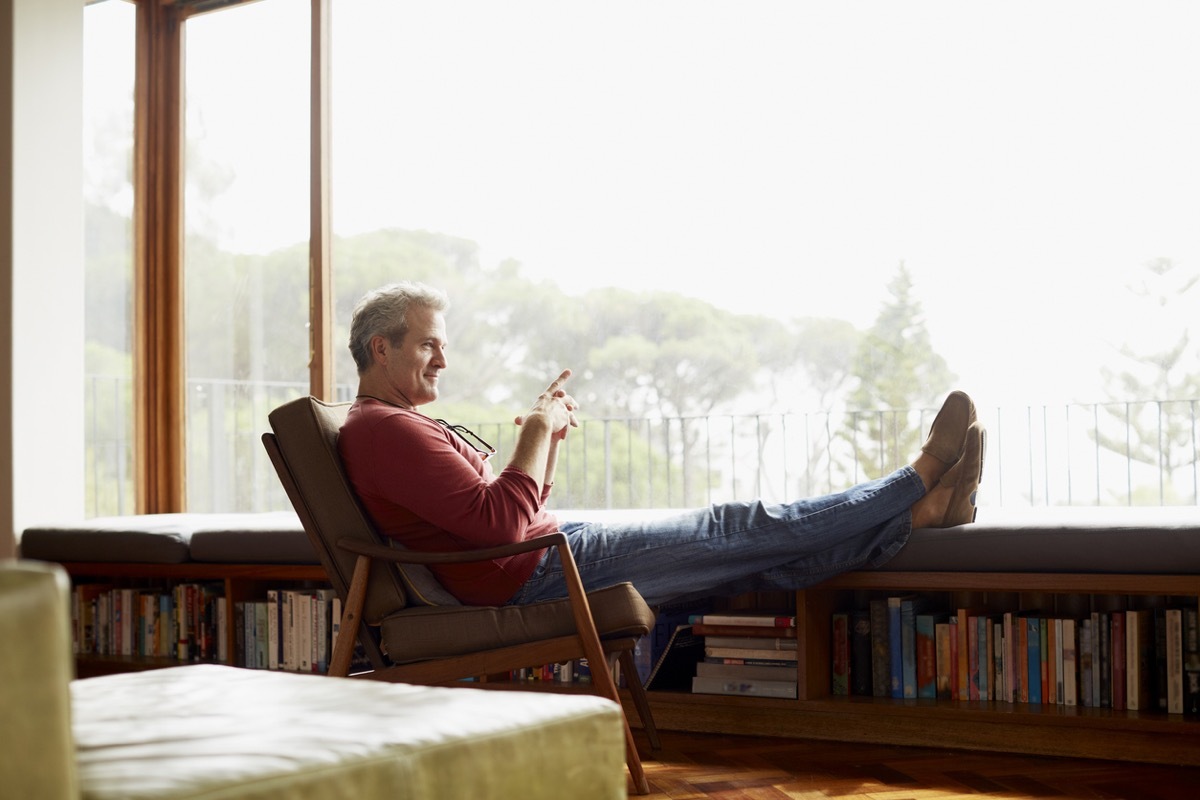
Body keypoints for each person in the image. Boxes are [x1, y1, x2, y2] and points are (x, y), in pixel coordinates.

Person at [338, 281, 986, 609]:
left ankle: (921, 514)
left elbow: (514, 507)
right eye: (429, 345)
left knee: (748, 561)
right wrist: (536, 430)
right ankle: (921, 474)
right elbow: (501, 522)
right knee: (736, 526)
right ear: (381, 348)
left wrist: (551, 435)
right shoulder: (382, 429)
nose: (443, 361)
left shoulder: (393, 426)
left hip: (540, 553)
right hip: (535, 571)